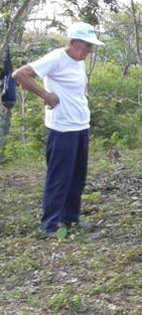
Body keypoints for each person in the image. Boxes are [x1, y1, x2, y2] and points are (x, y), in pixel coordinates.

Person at [12, 22, 105, 237]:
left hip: (80, 125)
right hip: (62, 128)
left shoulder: (77, 61)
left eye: (90, 47)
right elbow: (20, 74)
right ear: (73, 43)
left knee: (77, 176)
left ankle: (70, 218)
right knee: (60, 176)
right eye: (86, 46)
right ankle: (49, 225)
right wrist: (46, 96)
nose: (89, 51)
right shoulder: (56, 57)